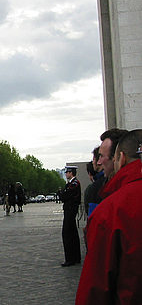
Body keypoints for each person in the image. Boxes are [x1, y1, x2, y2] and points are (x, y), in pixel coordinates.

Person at [76, 129, 142, 304]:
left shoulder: (111, 210)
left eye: (102, 156)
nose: (98, 162)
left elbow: (95, 287)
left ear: (120, 158)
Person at [58, 165, 81, 267]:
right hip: (70, 210)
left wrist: (61, 193)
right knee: (73, 233)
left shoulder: (74, 184)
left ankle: (70, 258)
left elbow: (64, 196)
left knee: (67, 234)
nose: (66, 174)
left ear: (71, 173)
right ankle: (76, 257)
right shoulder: (72, 184)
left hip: (70, 210)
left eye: (67, 172)